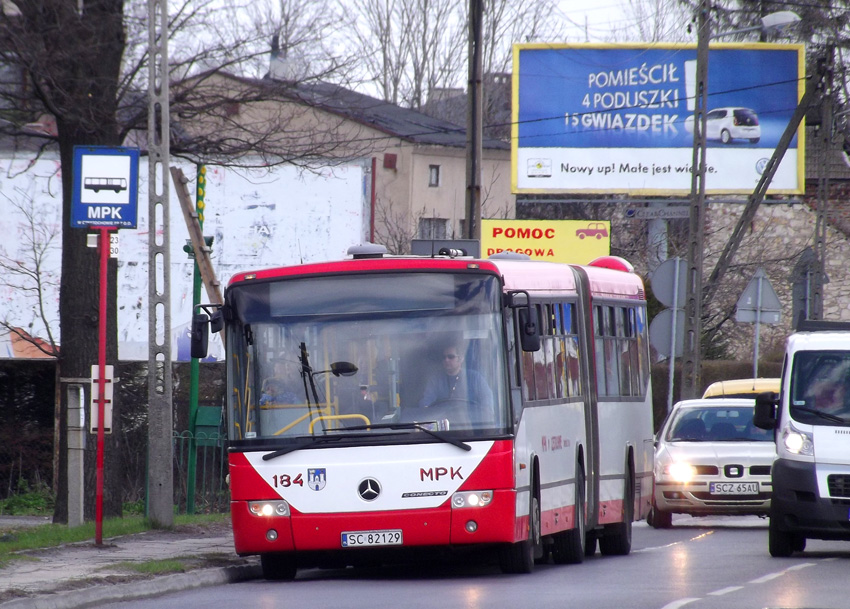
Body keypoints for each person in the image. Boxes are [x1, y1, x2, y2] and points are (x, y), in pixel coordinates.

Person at [418, 342, 493, 417]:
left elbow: (487, 401)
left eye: (450, 357)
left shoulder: (475, 378)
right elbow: (426, 402)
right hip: (443, 423)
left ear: (461, 359)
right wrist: (425, 411)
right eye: (444, 357)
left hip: (470, 423)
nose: (446, 360)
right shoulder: (436, 380)